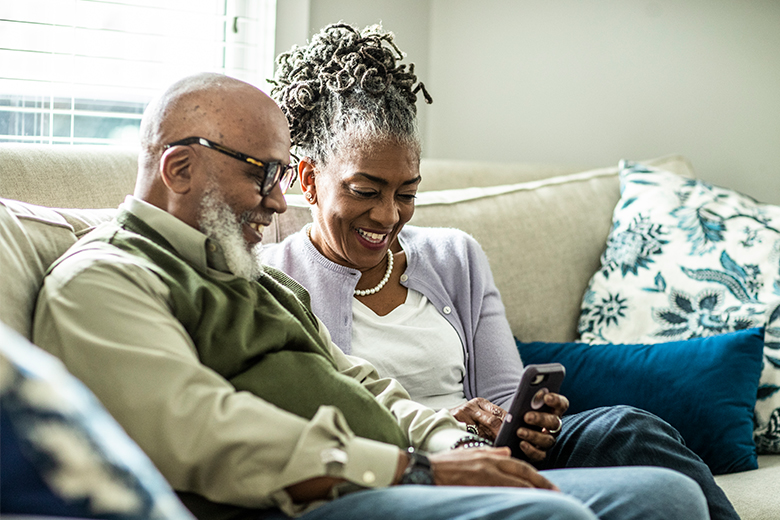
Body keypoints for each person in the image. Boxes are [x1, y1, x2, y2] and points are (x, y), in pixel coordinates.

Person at [31, 72, 708, 520]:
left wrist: (454, 445)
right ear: (178, 167)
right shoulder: (106, 279)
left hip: (402, 471)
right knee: (550, 513)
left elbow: (363, 385)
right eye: (264, 175)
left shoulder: (246, 275)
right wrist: (414, 469)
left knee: (666, 497)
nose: (275, 201)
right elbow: (201, 430)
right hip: (305, 499)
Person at [265, 23, 739, 520]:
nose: (388, 216)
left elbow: (503, 400)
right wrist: (444, 422)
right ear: (310, 180)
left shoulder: (455, 256)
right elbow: (305, 429)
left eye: (406, 194)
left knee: (627, 429)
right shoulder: (273, 280)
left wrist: (527, 422)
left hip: (493, 459)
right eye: (366, 190)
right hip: (400, 471)